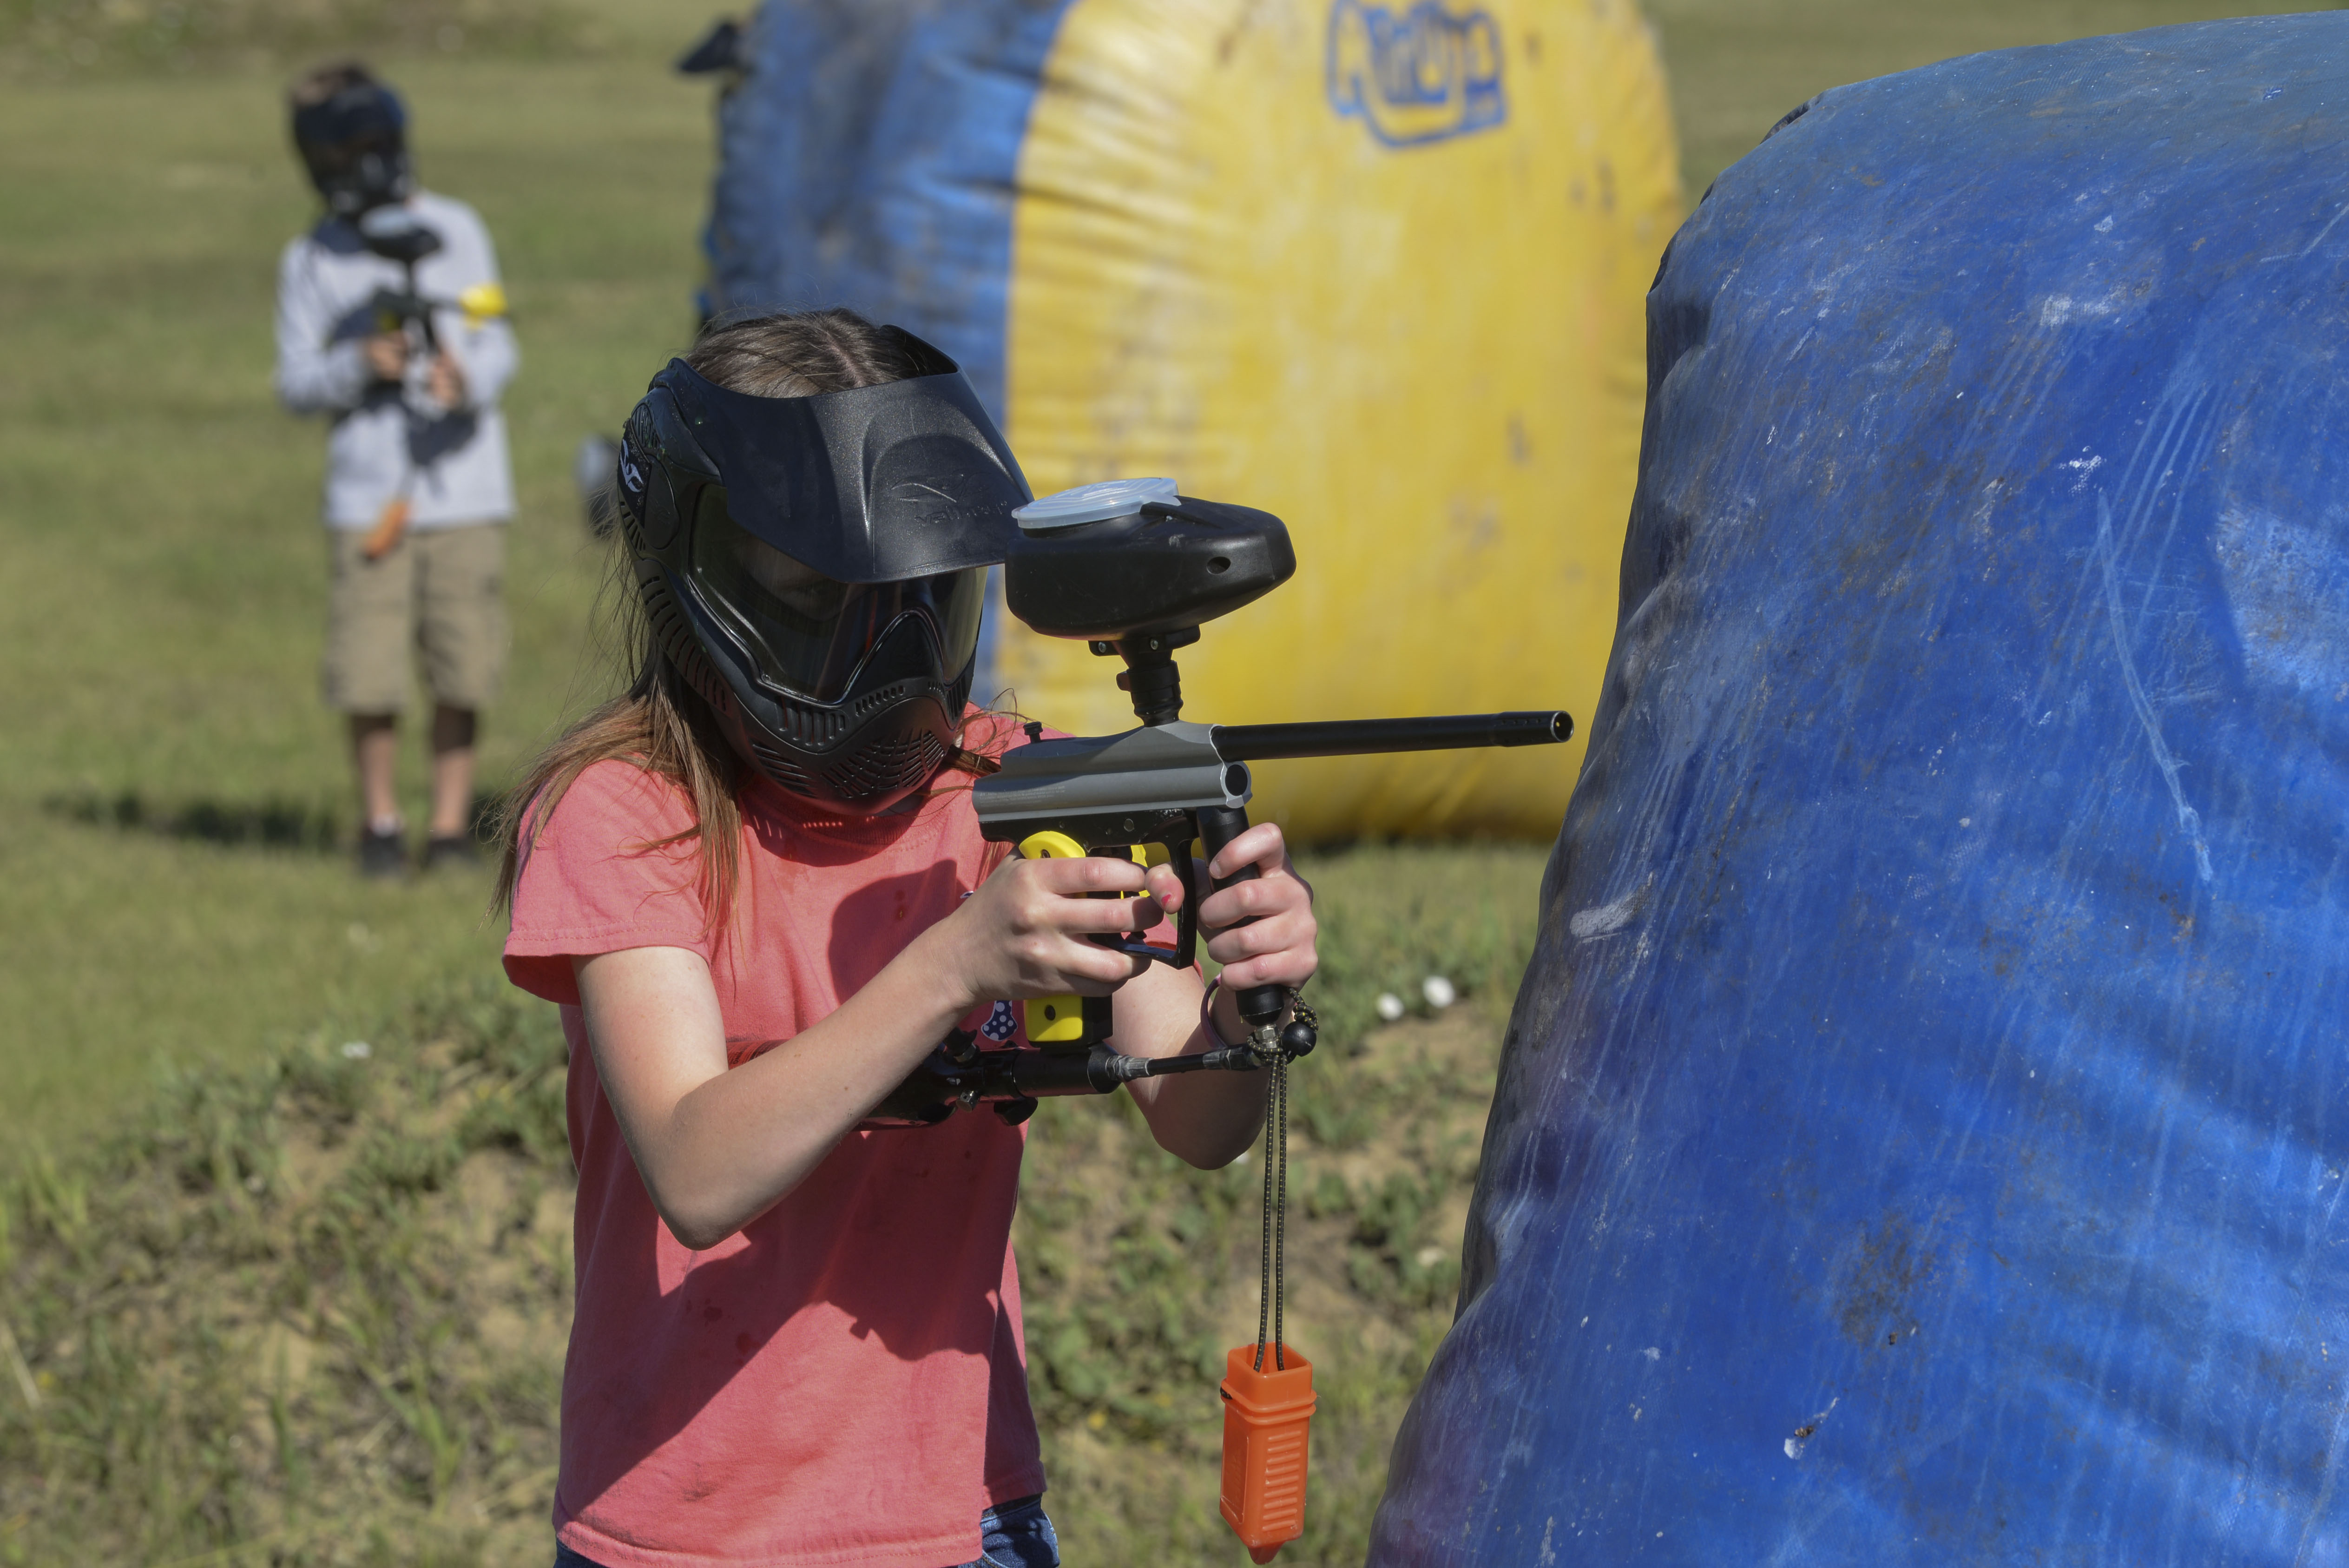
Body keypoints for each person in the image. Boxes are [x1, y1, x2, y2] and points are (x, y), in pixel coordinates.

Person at [494, 309, 1319, 1568]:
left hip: (965, 1511)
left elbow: (1198, 1121)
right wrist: (949, 966)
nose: (883, 641)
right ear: (704, 566)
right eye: (820, 593)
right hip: (686, 1527)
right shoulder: (631, 812)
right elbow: (696, 1169)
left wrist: (1247, 998)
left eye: (916, 595)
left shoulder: (1015, 792)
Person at [274, 60, 519, 878]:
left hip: (464, 490)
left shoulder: (457, 228)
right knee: (369, 670)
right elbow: (294, 381)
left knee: (463, 663)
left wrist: (467, 378)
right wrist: (357, 364)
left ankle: (449, 828)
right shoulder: (313, 258)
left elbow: (497, 336)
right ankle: (381, 822)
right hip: (369, 496)